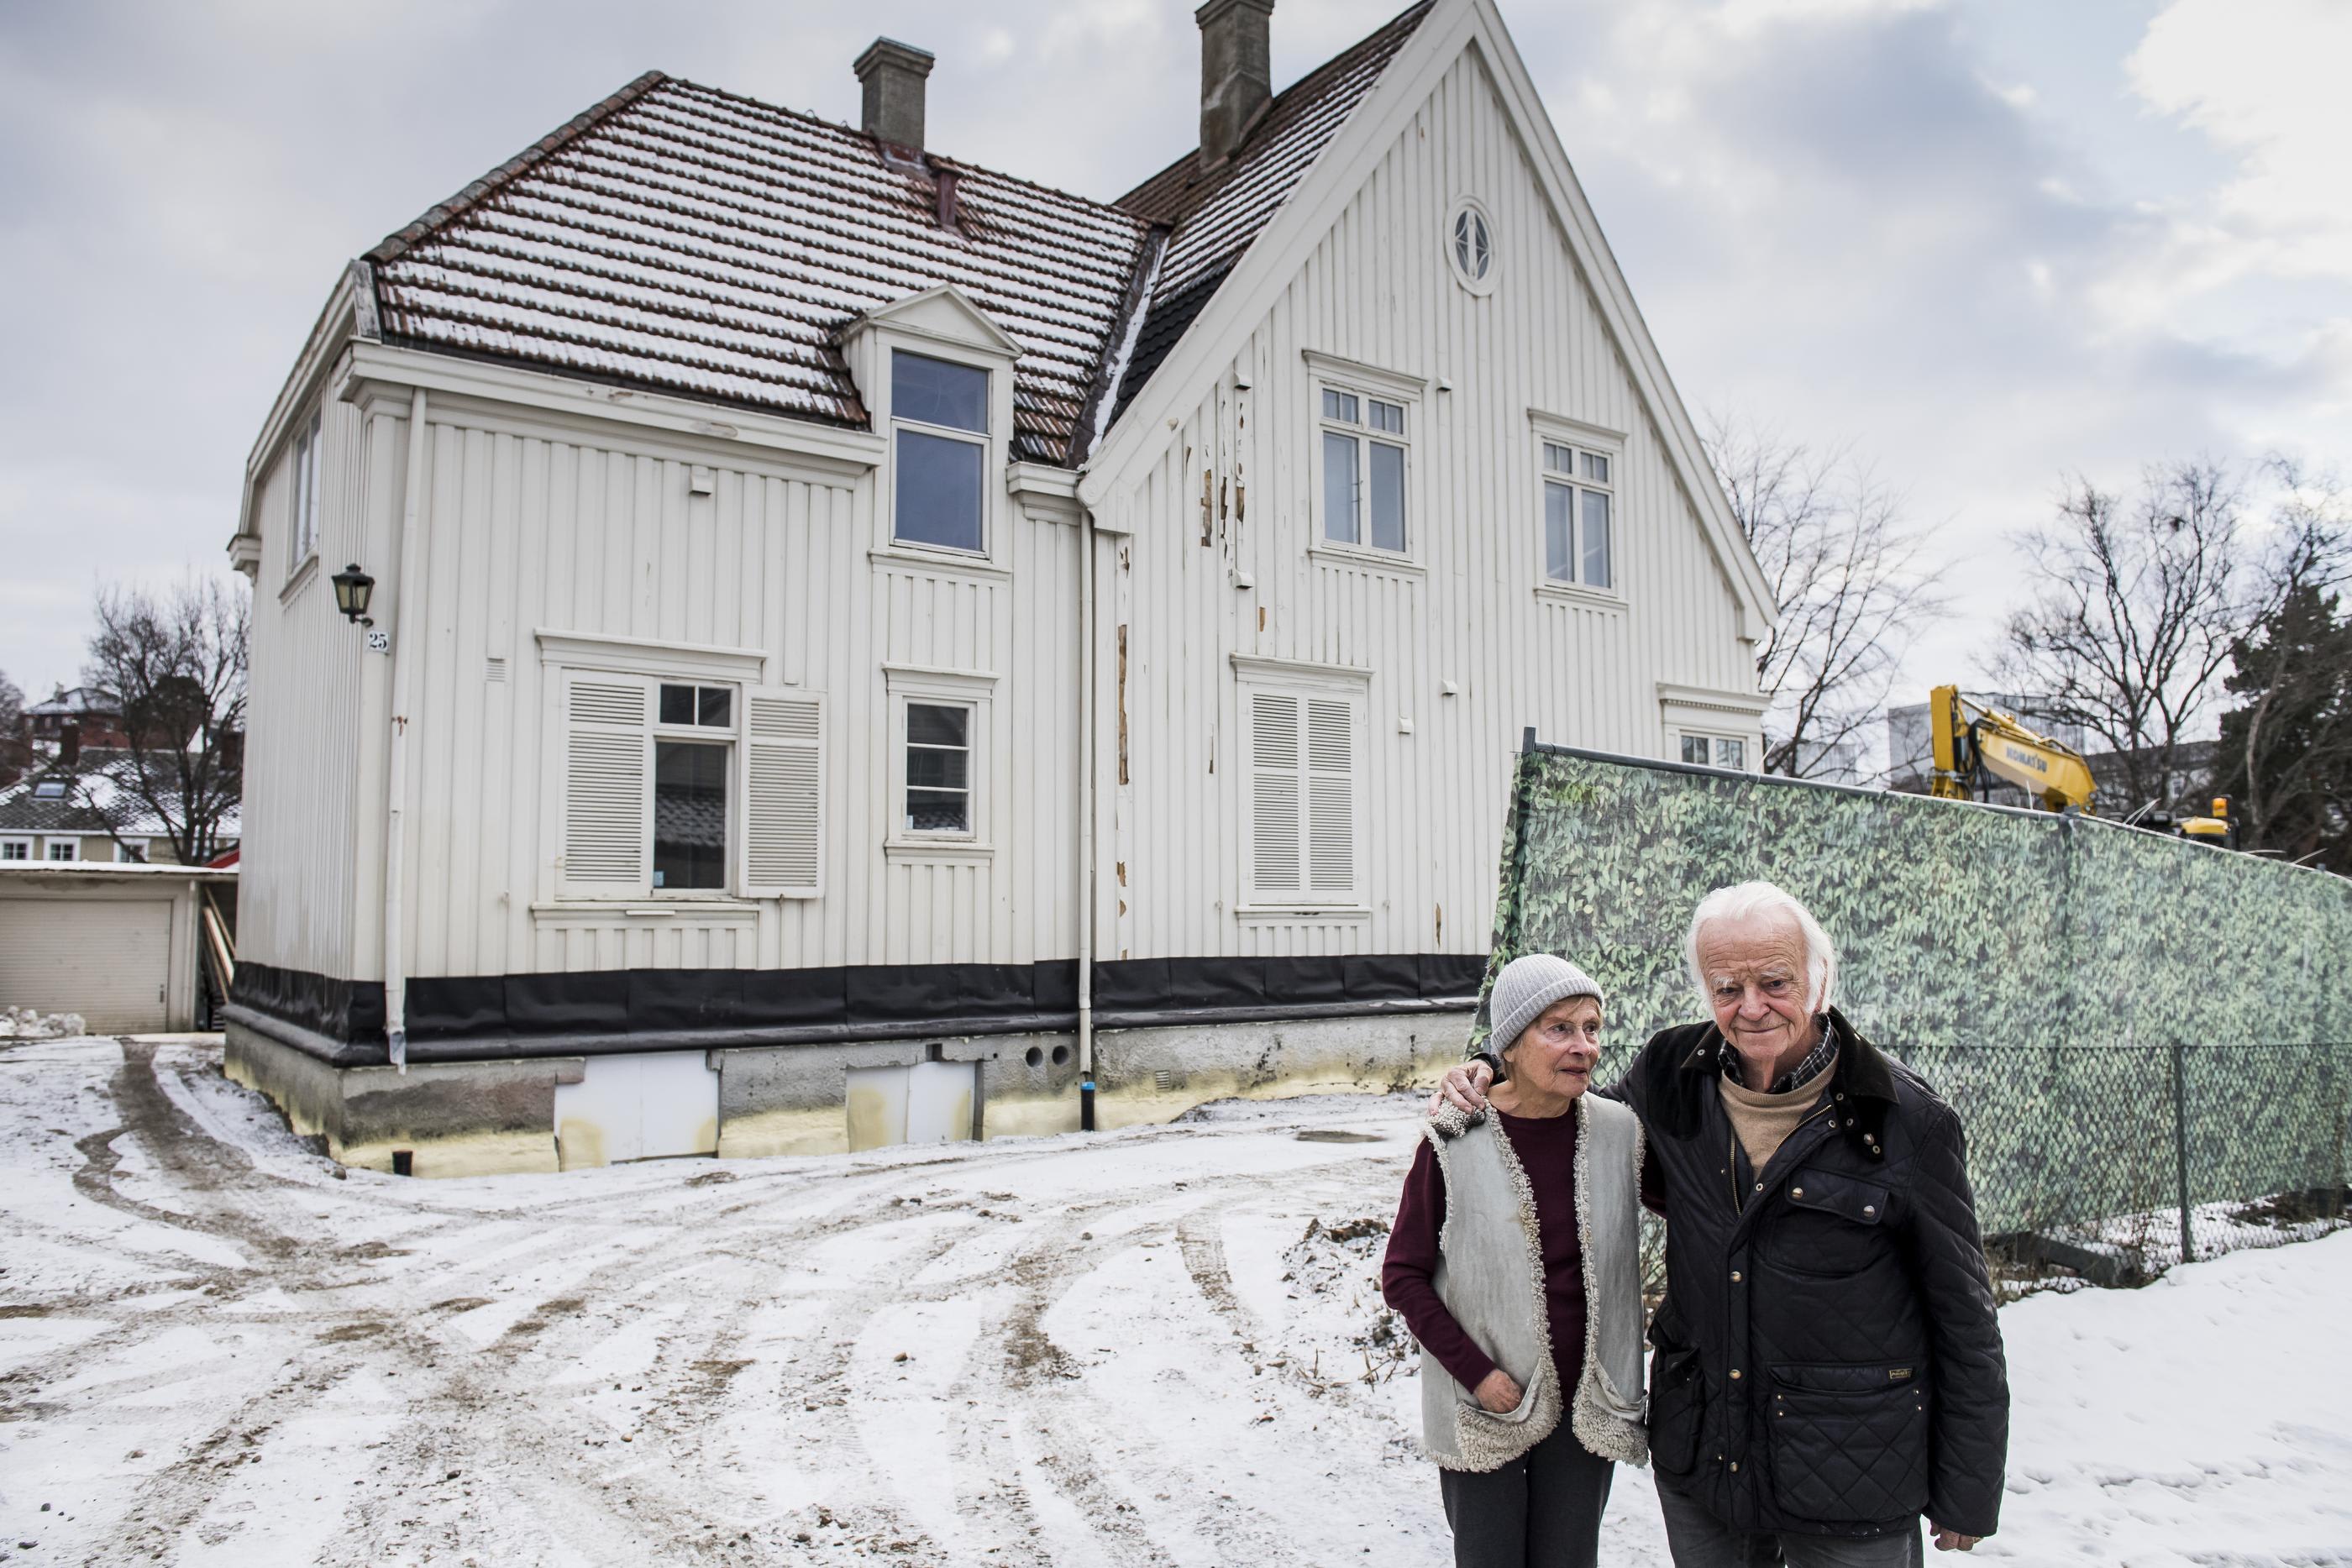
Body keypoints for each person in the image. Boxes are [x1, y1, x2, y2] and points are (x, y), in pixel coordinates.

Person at [1434, 882, 2008, 1565]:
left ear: (1821, 980)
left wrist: (1968, 1488)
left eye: (1775, 982)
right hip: (1706, 1459)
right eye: (1728, 987)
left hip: (1852, 1469)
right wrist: (1490, 1066)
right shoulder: (1673, 1075)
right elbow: (1563, 1114)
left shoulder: (1903, 1119)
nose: (1752, 1006)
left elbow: (1964, 1318)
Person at [1381, 952, 1650, 1568]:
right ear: (1510, 1044)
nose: (1583, 1046)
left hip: (1588, 1404)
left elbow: (1704, 1205)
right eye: (1559, 1028)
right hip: (1486, 1402)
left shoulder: (1620, 1133)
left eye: (1592, 1027)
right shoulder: (1455, 1137)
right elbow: (1403, 1274)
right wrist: (1477, 1373)